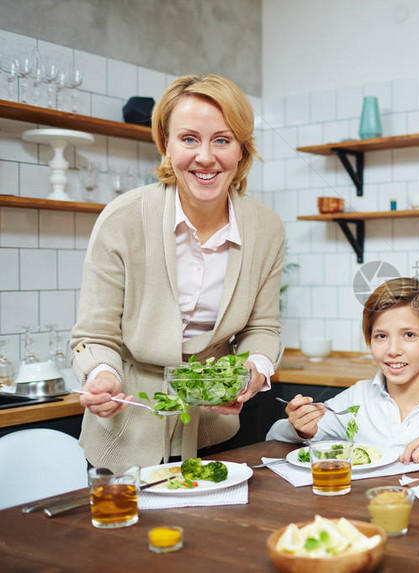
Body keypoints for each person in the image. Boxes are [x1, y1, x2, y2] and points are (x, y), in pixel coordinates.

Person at [72, 74, 285, 469]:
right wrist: (102, 373)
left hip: (214, 433)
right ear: (165, 145)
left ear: (241, 150)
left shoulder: (266, 228)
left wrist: (254, 370)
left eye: (222, 140)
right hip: (126, 432)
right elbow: (95, 333)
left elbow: (263, 328)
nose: (205, 156)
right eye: (189, 139)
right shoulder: (123, 219)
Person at [266, 277, 419, 465]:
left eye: (409, 335)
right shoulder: (357, 399)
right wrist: (302, 428)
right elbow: (274, 437)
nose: (393, 350)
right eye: (381, 336)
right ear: (369, 340)